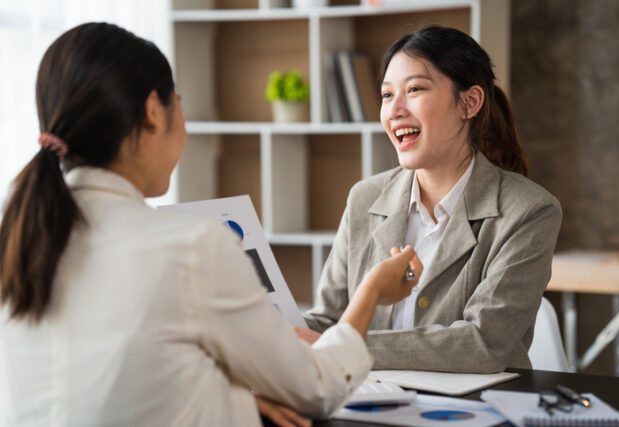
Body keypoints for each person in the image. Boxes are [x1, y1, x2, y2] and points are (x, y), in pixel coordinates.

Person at [0, 22, 422, 427]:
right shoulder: (189, 245)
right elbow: (316, 388)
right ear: (153, 112)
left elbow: (115, 380)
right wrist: (370, 294)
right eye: (178, 104)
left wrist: (234, 395)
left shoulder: (18, 229)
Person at [302, 26, 562, 374]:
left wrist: (343, 349)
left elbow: (481, 343)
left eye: (414, 90)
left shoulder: (529, 210)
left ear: (469, 102)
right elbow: (327, 320)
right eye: (386, 95)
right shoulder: (364, 198)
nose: (394, 110)